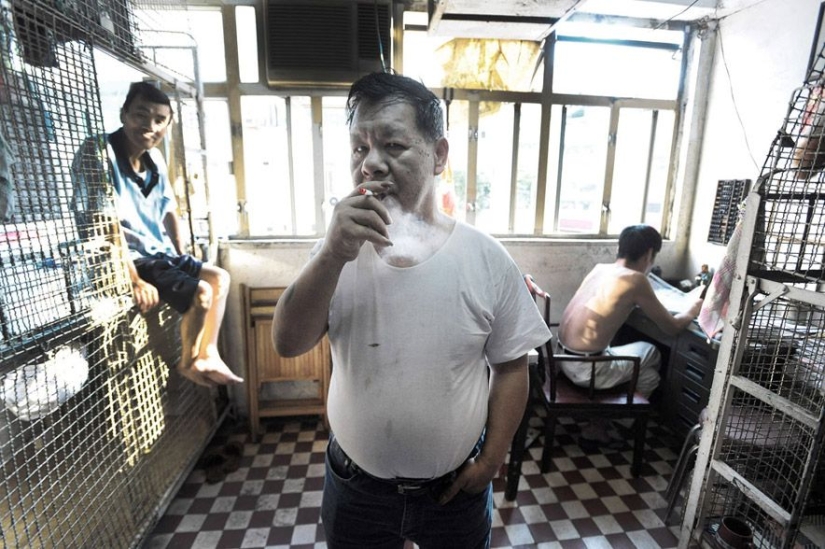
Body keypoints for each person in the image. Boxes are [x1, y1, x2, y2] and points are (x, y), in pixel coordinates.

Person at [271, 72, 551, 548]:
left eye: (393, 145)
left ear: (438, 154)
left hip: (453, 492)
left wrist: (491, 460)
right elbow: (288, 342)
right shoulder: (337, 252)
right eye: (359, 148)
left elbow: (511, 367)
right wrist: (333, 254)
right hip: (356, 488)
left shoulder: (484, 257)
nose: (371, 164)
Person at [71, 81, 242, 387]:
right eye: (141, 115)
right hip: (127, 258)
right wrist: (134, 279)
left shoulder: (156, 160)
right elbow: (105, 224)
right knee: (202, 294)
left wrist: (181, 253)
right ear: (124, 114)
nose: (150, 126)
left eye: (159, 120)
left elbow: (168, 211)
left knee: (219, 278)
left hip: (159, 253)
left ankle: (209, 352)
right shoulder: (99, 152)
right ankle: (189, 364)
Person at [557, 224, 702, 445]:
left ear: (620, 247)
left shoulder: (600, 269)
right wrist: (693, 309)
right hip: (586, 369)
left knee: (648, 370)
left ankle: (604, 418)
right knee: (651, 356)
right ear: (648, 254)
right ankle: (611, 424)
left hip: (563, 358)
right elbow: (672, 327)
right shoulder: (636, 280)